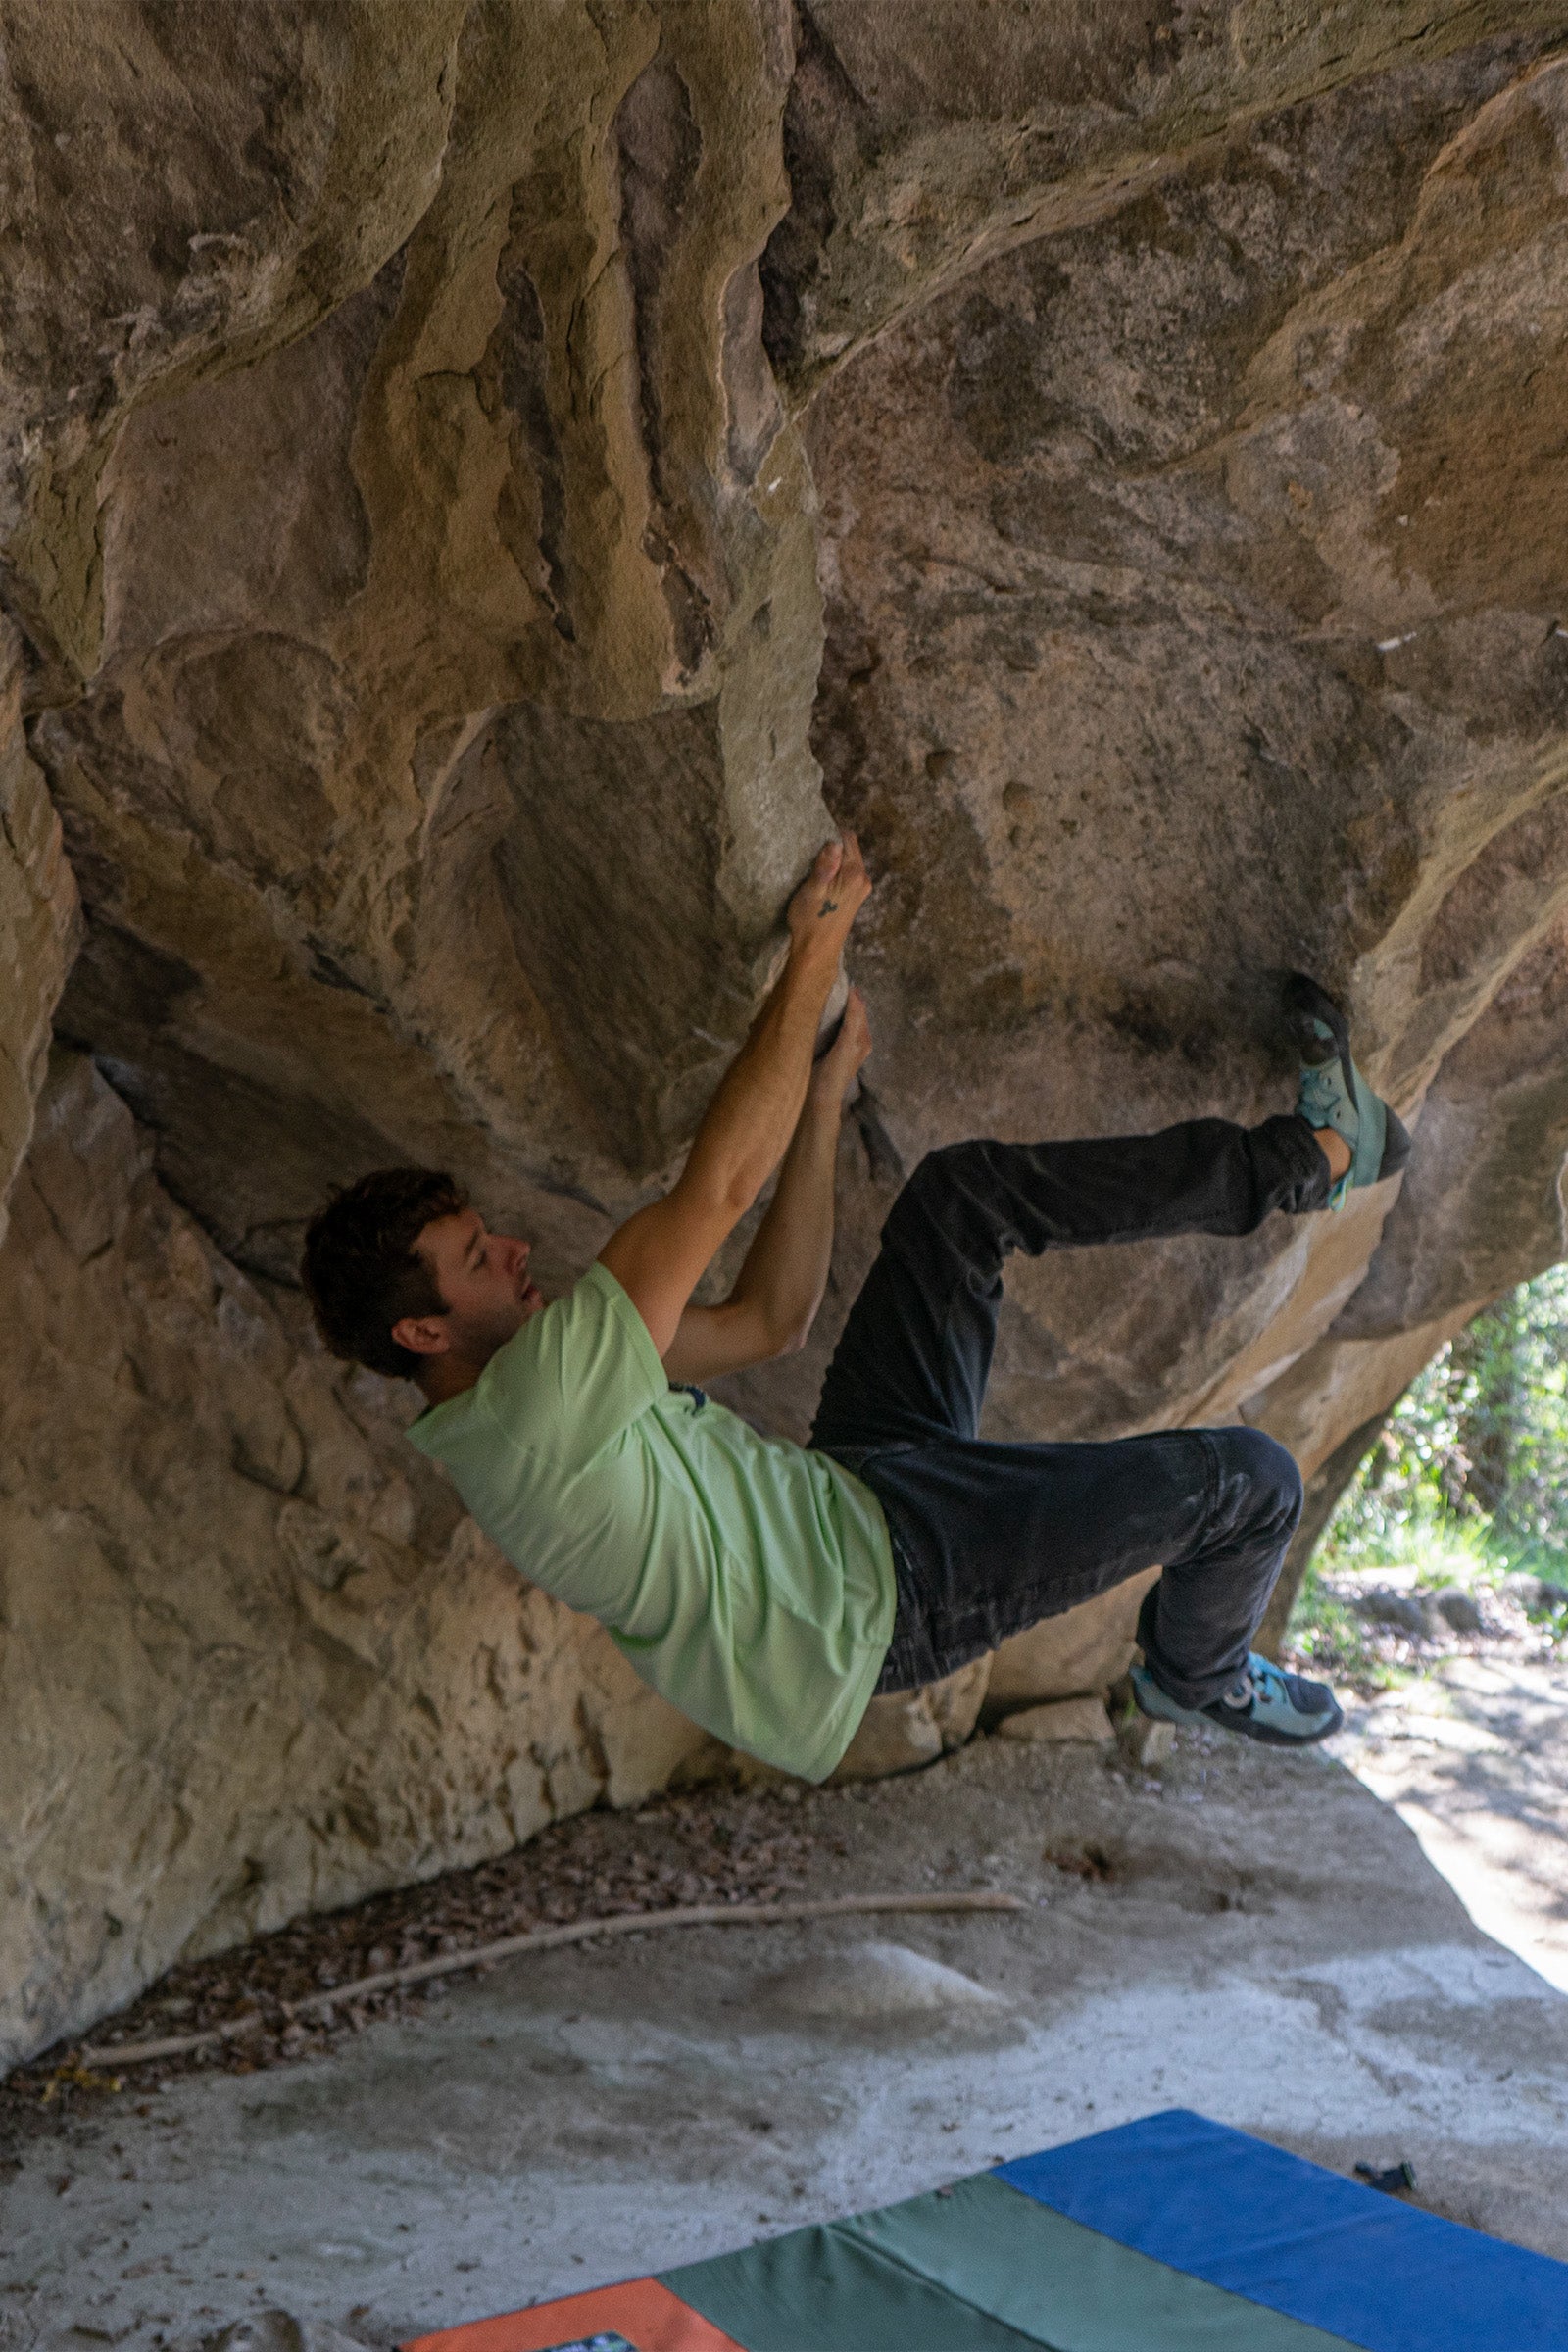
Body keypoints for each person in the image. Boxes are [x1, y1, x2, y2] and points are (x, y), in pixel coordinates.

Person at [301, 835, 1409, 1782]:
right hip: (875, 1605)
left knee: (960, 1200)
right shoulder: (537, 1409)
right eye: (474, 1257)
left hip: (855, 1495)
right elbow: (719, 1189)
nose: (513, 1248)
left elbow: (770, 1320)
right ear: (422, 1332)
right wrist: (814, 948)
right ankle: (1194, 1675)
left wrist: (824, 1100)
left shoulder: (538, 1382)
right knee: (1248, 1483)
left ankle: (1306, 1164)